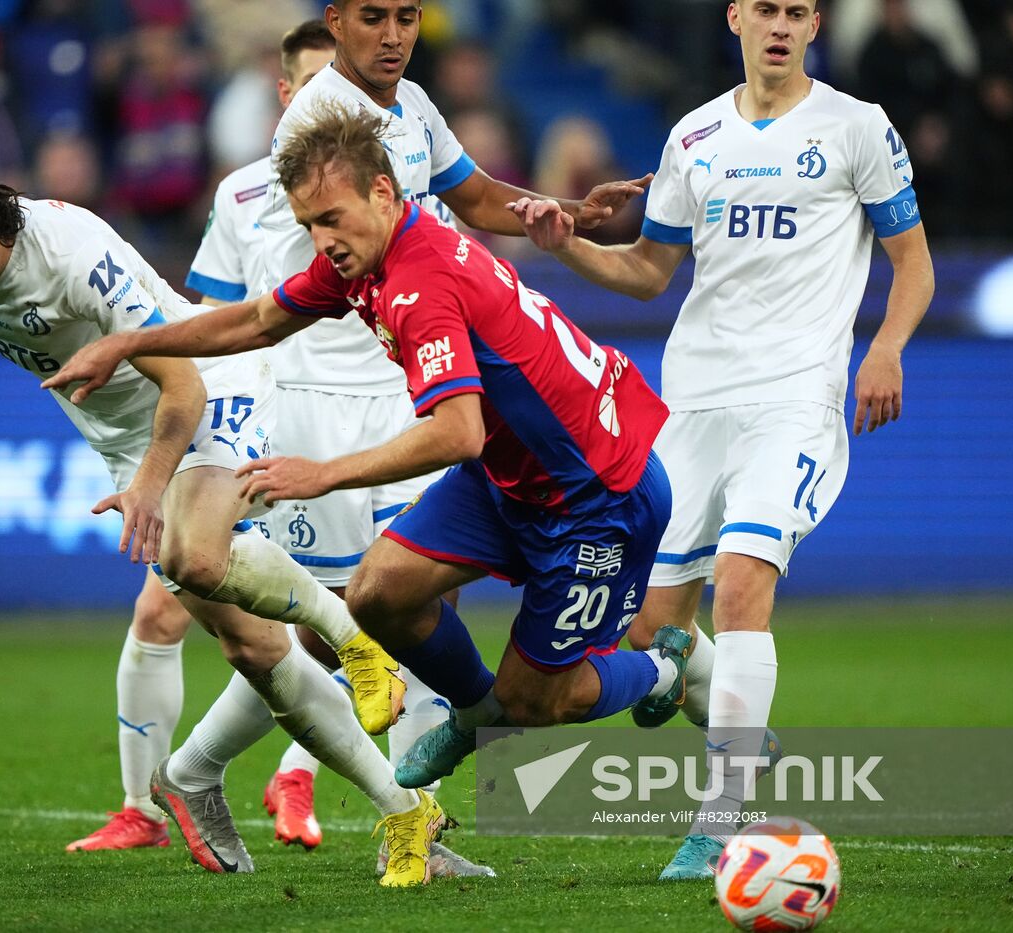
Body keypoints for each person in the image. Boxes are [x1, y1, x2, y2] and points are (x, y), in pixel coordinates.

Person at [0, 51, 446, 889]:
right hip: (125, 437)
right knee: (253, 648)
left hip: (205, 391)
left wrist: (148, 484)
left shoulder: (66, 256)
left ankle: (354, 642)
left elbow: (180, 385)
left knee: (194, 555)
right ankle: (380, 806)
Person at [100, 0, 650, 874]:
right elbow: (254, 313)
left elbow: (475, 197)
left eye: (405, 17)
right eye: (372, 18)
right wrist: (142, 344)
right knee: (337, 628)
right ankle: (211, 769)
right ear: (335, 24)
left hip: (430, 400)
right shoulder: (323, 133)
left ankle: (414, 817)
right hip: (330, 401)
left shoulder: (412, 111)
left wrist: (563, 213)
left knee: (400, 619)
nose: (393, 36)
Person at [509, 0, 935, 880]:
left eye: (797, 11)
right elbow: (649, 271)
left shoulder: (857, 127)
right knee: (646, 626)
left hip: (794, 401)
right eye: (765, 8)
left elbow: (914, 262)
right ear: (736, 17)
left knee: (741, 586)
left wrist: (886, 348)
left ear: (814, 26)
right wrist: (566, 244)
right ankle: (745, 730)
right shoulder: (695, 135)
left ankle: (719, 821)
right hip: (695, 403)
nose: (780, 25)